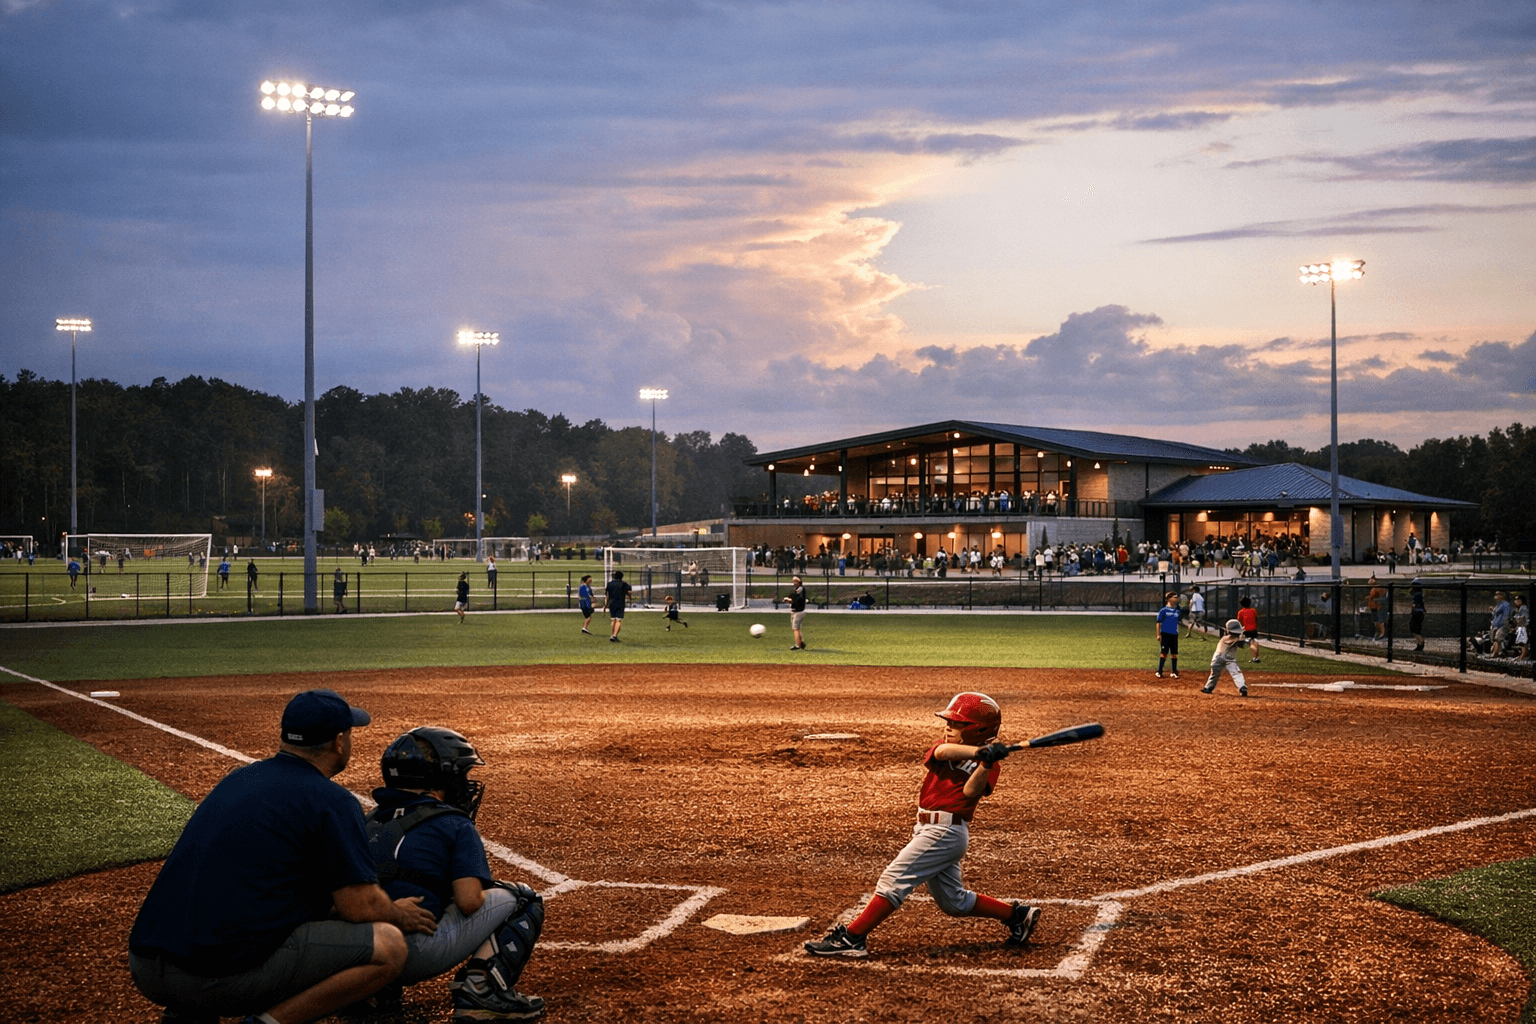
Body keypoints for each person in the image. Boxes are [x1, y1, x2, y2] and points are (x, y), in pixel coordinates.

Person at [127, 689, 438, 1024]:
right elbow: (360, 906)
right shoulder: (331, 800)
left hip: (145, 963)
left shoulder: (237, 779)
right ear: (338, 742)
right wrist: (398, 914)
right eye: (349, 734)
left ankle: (188, 1015)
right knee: (389, 946)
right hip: (208, 977)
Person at [803, 692, 1041, 958]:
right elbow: (941, 751)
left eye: (957, 724)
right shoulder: (947, 746)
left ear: (978, 729)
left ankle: (852, 939)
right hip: (928, 828)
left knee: (893, 880)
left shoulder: (990, 764)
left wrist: (985, 762)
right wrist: (978, 751)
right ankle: (1017, 916)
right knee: (954, 902)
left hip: (946, 832)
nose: (948, 727)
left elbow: (971, 792)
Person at [364, 727, 545, 1021]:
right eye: (460, 776)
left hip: (361, 954)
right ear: (441, 780)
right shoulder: (453, 822)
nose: (464, 784)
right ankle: (481, 990)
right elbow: (469, 902)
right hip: (414, 952)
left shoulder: (366, 822)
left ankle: (373, 992)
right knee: (522, 898)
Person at [1201, 619, 1251, 698]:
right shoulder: (1226, 638)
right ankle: (1242, 687)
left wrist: (1244, 640)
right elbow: (1239, 642)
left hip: (1218, 659)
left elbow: (1239, 643)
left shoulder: (1229, 638)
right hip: (1227, 659)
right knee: (1236, 673)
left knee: (1215, 674)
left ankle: (1208, 687)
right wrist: (1248, 641)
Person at [1155, 592, 1181, 679]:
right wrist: (1158, 634)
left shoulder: (1177, 611)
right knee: (1164, 653)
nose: (1176, 599)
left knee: (1174, 653)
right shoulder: (1163, 610)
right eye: (1175, 597)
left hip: (1174, 634)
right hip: (1165, 633)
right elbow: (1158, 622)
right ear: (1169, 598)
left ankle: (1174, 671)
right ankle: (1159, 671)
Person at [780, 575, 808, 650]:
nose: (793, 582)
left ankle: (798, 645)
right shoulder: (797, 589)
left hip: (798, 612)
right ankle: (800, 643)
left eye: (795, 580)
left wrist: (788, 600)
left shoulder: (800, 589)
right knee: (796, 628)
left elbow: (795, 599)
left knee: (795, 628)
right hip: (795, 611)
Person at [604, 569, 632, 642]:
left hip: (611, 603)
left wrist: (605, 605)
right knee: (618, 620)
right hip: (620, 603)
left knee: (613, 619)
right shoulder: (624, 584)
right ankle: (614, 635)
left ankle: (613, 635)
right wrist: (628, 595)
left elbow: (607, 596)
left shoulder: (609, 584)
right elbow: (629, 591)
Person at [1237, 596, 1260, 662]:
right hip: (1254, 629)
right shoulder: (1253, 611)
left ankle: (1245, 641)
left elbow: (1239, 622)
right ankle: (1255, 657)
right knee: (1255, 643)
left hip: (1246, 630)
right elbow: (1256, 619)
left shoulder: (1240, 612)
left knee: (1251, 643)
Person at [1365, 576, 1387, 640]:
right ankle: (1379, 633)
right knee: (1376, 620)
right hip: (1375, 606)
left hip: (1375, 606)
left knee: (1377, 620)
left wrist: (1368, 598)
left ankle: (1380, 633)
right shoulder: (1377, 588)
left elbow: (1372, 597)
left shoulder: (1375, 589)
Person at [1409, 581, 1426, 652]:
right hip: (1419, 612)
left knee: (1414, 628)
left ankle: (1420, 643)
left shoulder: (1416, 595)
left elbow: (1414, 605)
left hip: (1417, 613)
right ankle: (1419, 643)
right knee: (1416, 629)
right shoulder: (1418, 594)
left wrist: (1412, 610)